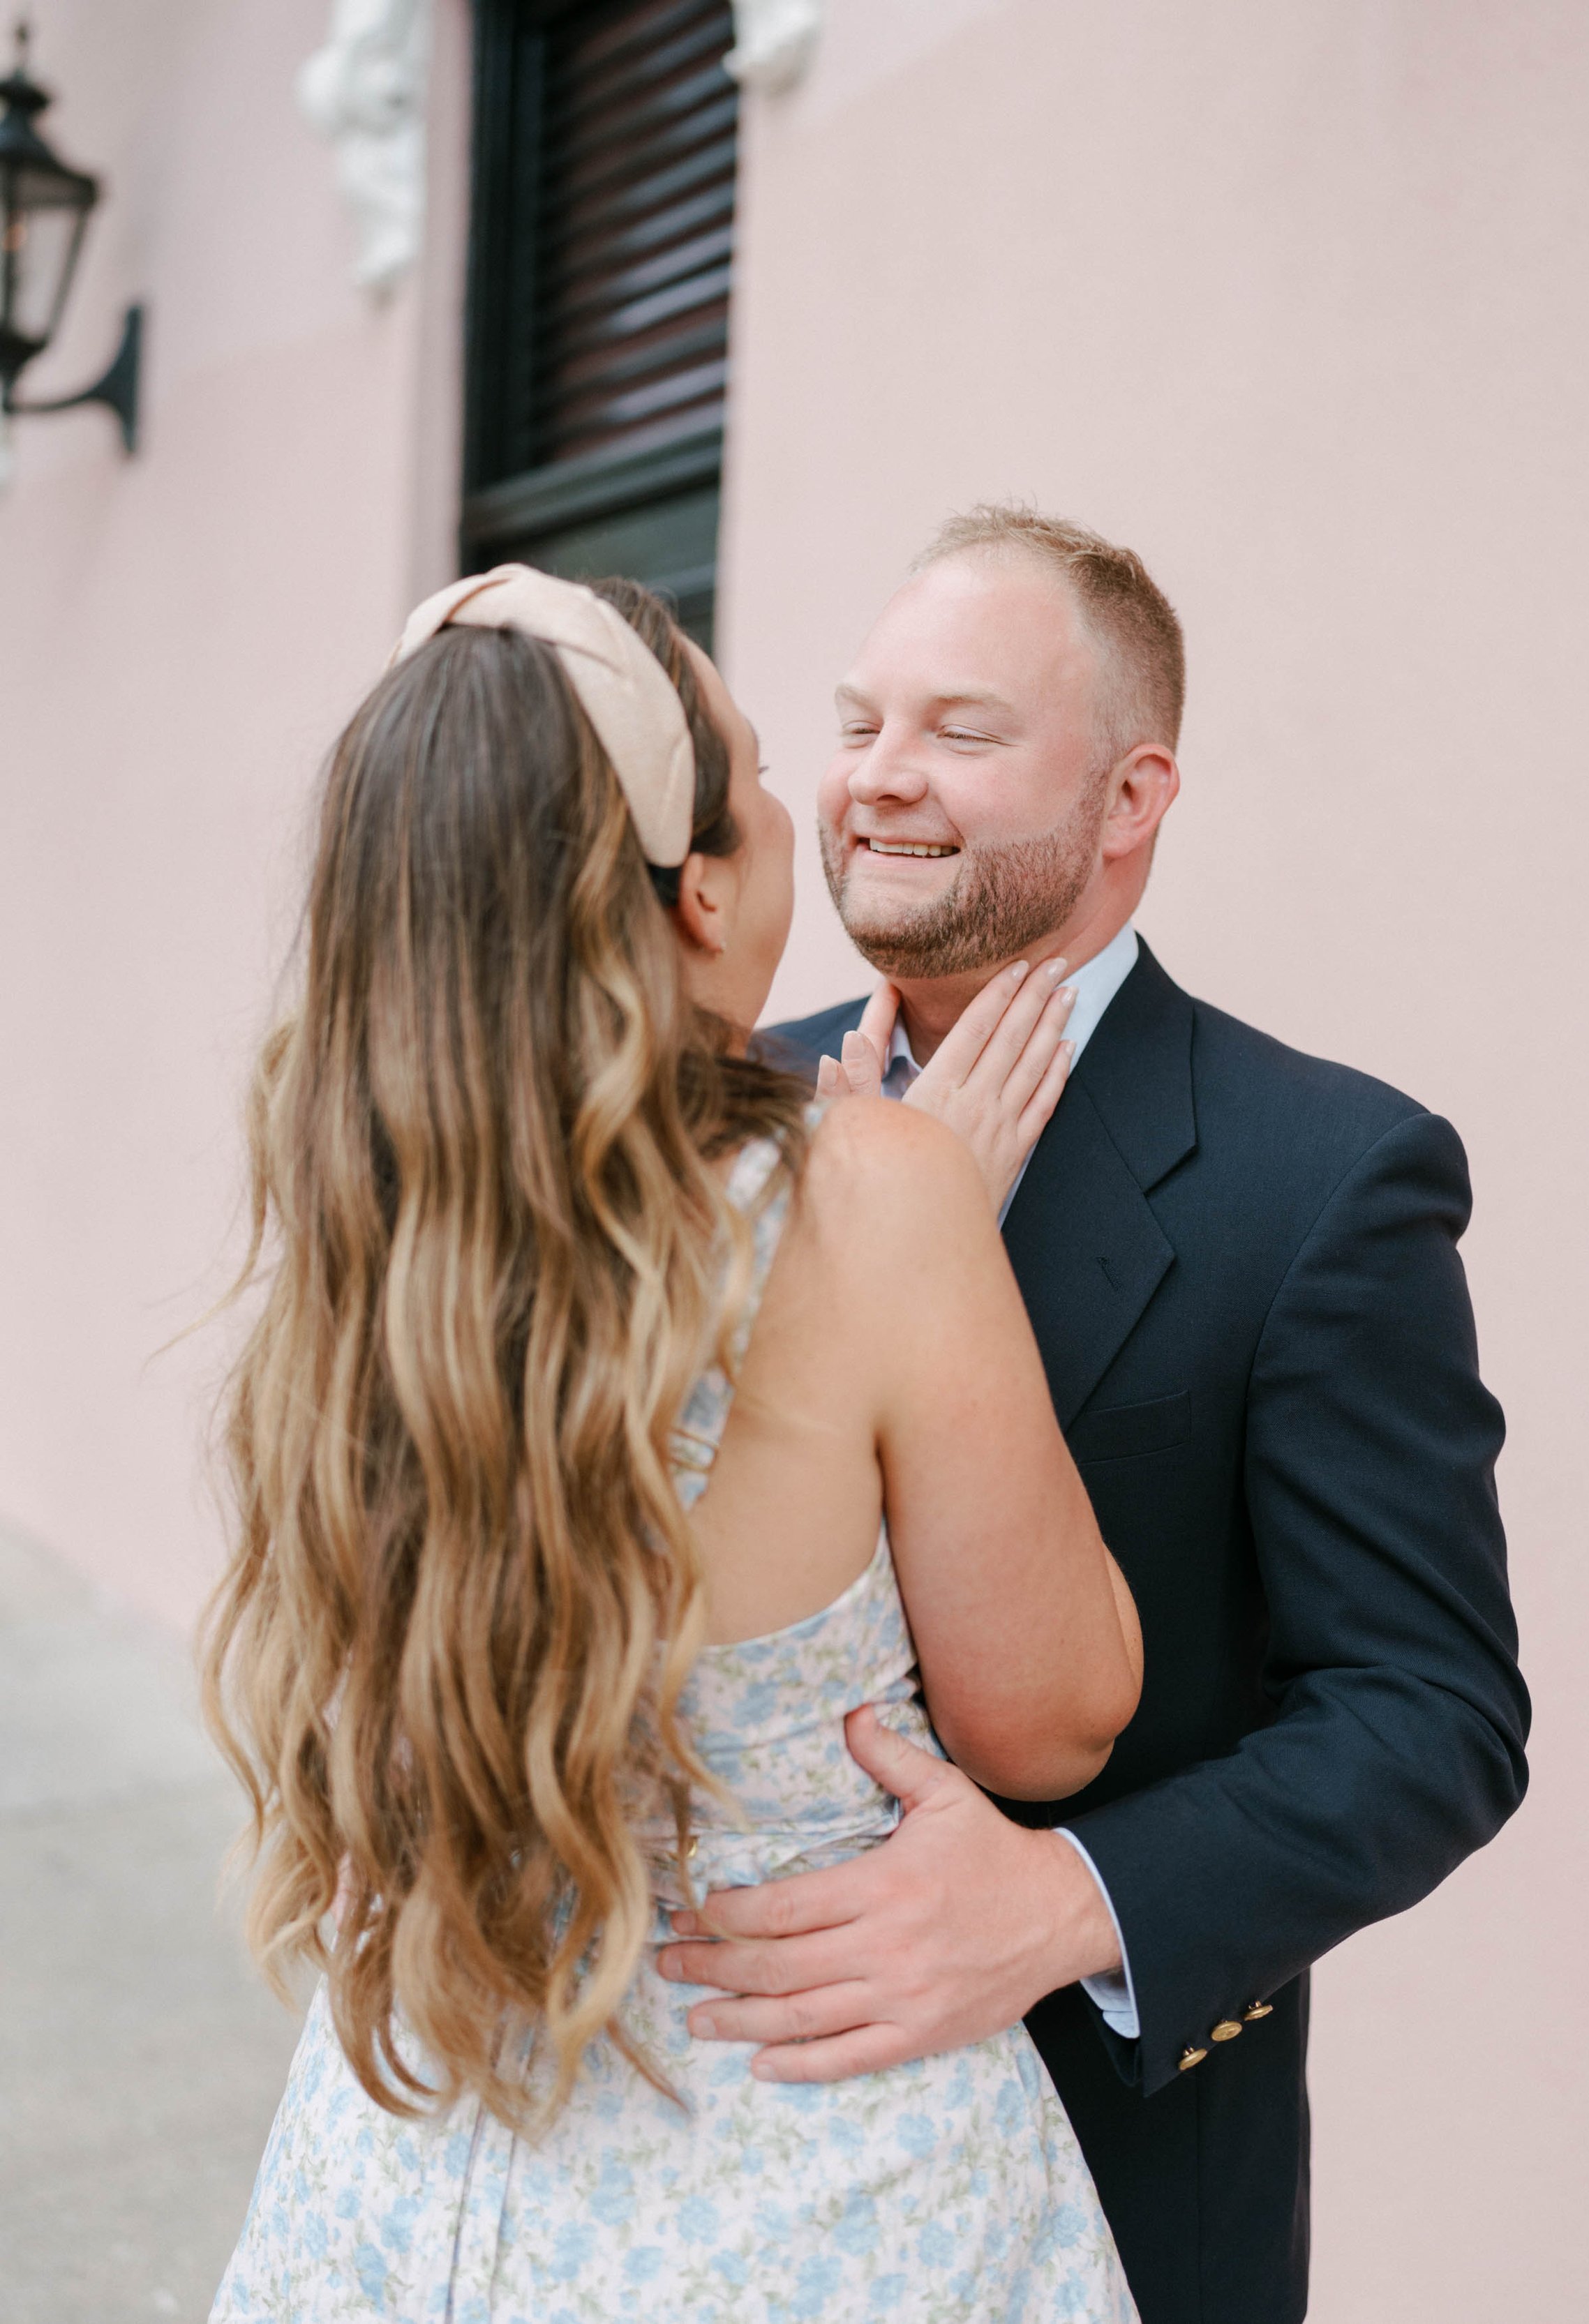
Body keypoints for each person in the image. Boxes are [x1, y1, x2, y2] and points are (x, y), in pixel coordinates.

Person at [204, 564, 1147, 2321]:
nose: (837, 791)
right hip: (801, 2191)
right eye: (773, 759)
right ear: (701, 890)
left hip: (411, 2179)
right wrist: (922, 1227)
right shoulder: (871, 1199)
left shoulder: (365, 1231)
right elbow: (1056, 1713)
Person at [662, 505, 1533, 2324]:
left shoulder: (1320, 1175)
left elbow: (1428, 1709)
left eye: (961, 732)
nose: (877, 784)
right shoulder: (708, 1105)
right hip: (676, 2152)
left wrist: (1073, 1900)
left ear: (1131, 796)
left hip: (1100, 2175)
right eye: (855, 723)